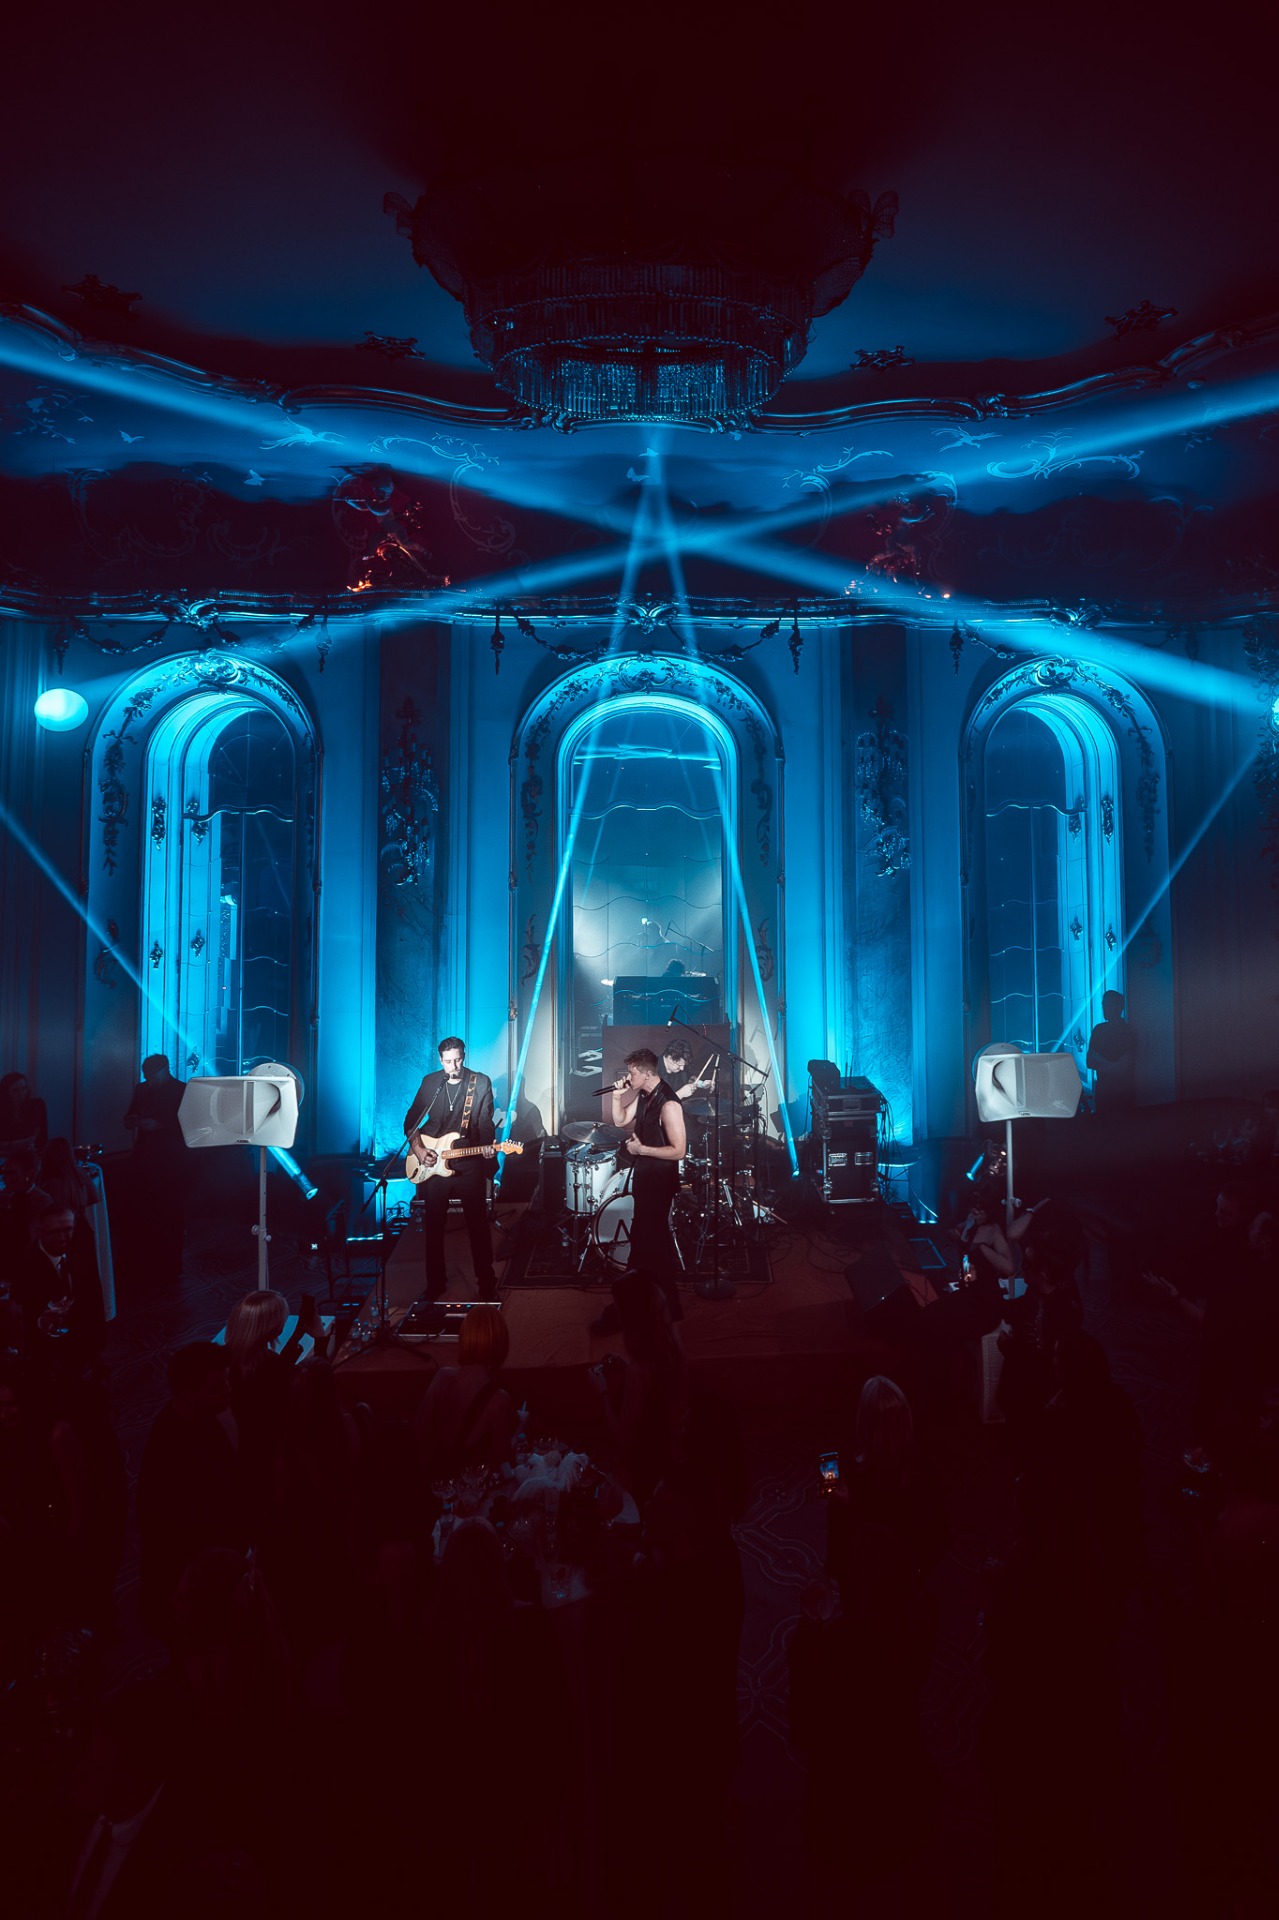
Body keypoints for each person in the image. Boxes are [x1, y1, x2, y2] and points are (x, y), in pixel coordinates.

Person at [136, 1343, 244, 1642]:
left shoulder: (202, 1417)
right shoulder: (171, 1451)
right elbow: (170, 1529)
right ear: (187, 1392)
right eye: (218, 1387)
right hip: (189, 1581)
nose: (228, 1391)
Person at [592, 1049, 687, 1333]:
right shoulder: (645, 1094)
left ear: (646, 1073)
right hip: (646, 1177)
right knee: (653, 1244)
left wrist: (641, 1149)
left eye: (632, 1072)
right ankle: (667, 1308)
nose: (627, 1076)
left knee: (645, 1244)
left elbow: (679, 1151)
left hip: (660, 1181)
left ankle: (630, 1309)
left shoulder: (669, 1104)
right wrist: (617, 1097)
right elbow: (621, 1120)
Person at [403, 1037, 497, 1300]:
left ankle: (487, 1283)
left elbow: (485, 1122)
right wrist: (419, 1150)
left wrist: (488, 1146)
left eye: (457, 1060)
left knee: (477, 1224)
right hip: (433, 1160)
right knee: (434, 1225)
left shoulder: (480, 1082)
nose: (453, 1066)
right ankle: (435, 1284)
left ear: (464, 1056)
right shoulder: (430, 1083)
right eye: (447, 1061)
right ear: (440, 1060)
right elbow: (411, 1121)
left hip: (468, 1160)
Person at [413, 1302, 516, 1477]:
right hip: (471, 1486)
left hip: (432, 1480)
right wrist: (520, 1428)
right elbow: (503, 1461)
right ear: (500, 1342)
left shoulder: (442, 1377)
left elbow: (418, 1431)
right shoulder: (499, 1401)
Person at [123, 1055, 188, 1282]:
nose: (148, 1079)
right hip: (146, 1157)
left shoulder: (181, 1090)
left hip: (170, 1160)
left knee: (170, 1212)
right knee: (145, 1209)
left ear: (164, 1071)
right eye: (146, 1075)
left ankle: (169, 1265)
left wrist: (158, 1126)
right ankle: (148, 1261)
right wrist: (132, 1120)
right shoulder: (142, 1089)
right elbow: (128, 1117)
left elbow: (187, 1125)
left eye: (151, 1075)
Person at [1086, 989, 1136, 1114]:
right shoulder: (1099, 1030)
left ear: (1119, 1007)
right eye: (1104, 1005)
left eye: (1108, 1005)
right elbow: (1089, 1061)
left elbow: (1125, 1066)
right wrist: (1114, 1066)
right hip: (1107, 1091)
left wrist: (1100, 1060)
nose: (1104, 1009)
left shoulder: (1128, 1032)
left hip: (1120, 1091)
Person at [0, 1071, 48, 1158]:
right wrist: (26, 1143)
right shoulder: (2, 1112)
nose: (21, 1094)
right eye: (15, 1090)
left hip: (32, 1157)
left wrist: (10, 1145)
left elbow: (40, 1139)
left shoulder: (36, 1106)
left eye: (24, 1088)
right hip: (6, 1159)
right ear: (6, 1092)